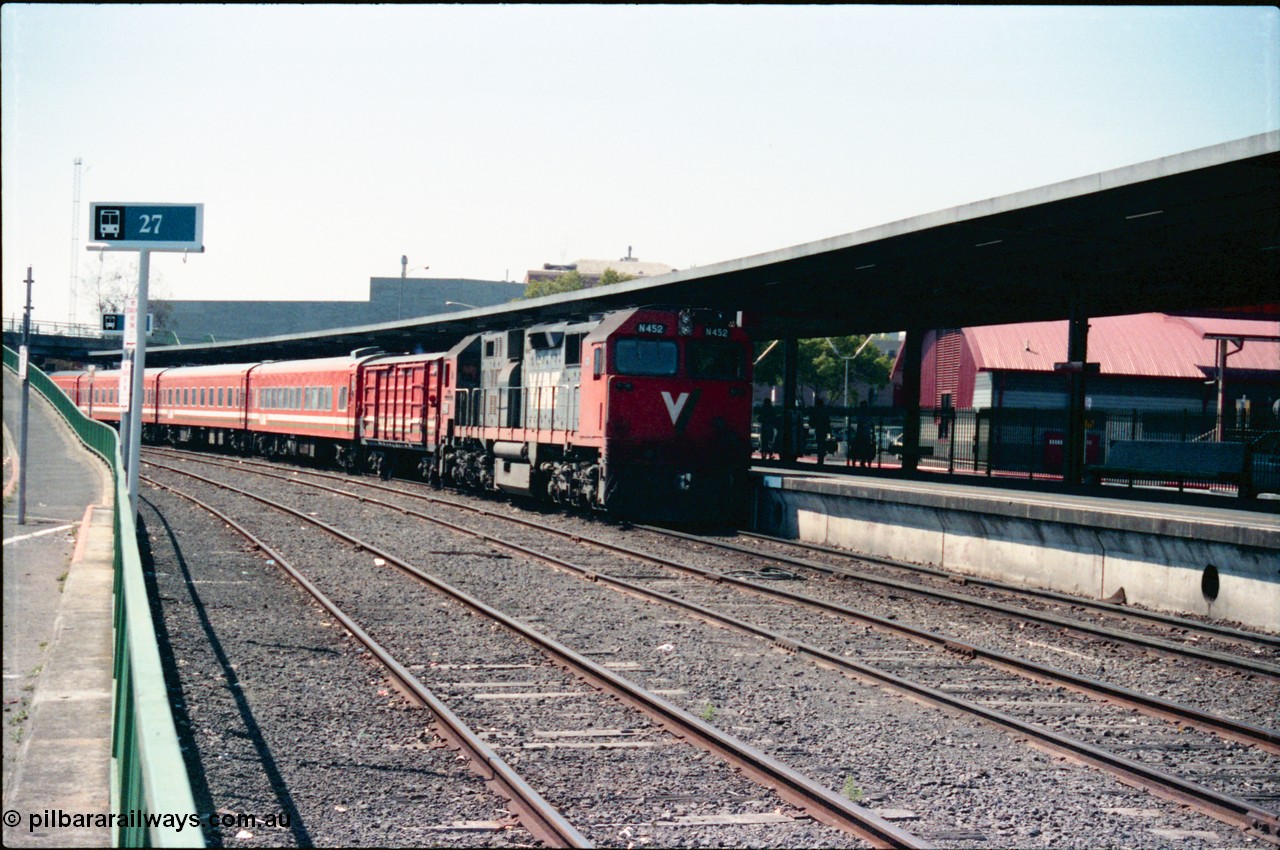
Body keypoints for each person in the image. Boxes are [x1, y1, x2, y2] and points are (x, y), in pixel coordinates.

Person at [810, 398, 832, 466]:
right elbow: (827, 421)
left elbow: (812, 420)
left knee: (820, 444)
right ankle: (821, 458)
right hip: (823, 429)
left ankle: (820, 459)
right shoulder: (824, 411)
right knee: (822, 444)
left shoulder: (816, 411)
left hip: (819, 429)